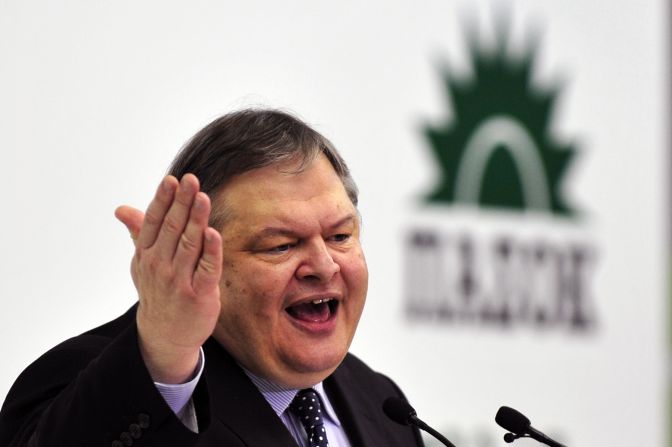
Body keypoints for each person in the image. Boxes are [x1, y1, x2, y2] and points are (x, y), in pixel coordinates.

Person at [0, 109, 424, 446]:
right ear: (198, 257)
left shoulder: (382, 404)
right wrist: (164, 354)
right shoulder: (99, 377)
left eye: (340, 236)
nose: (325, 266)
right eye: (281, 245)